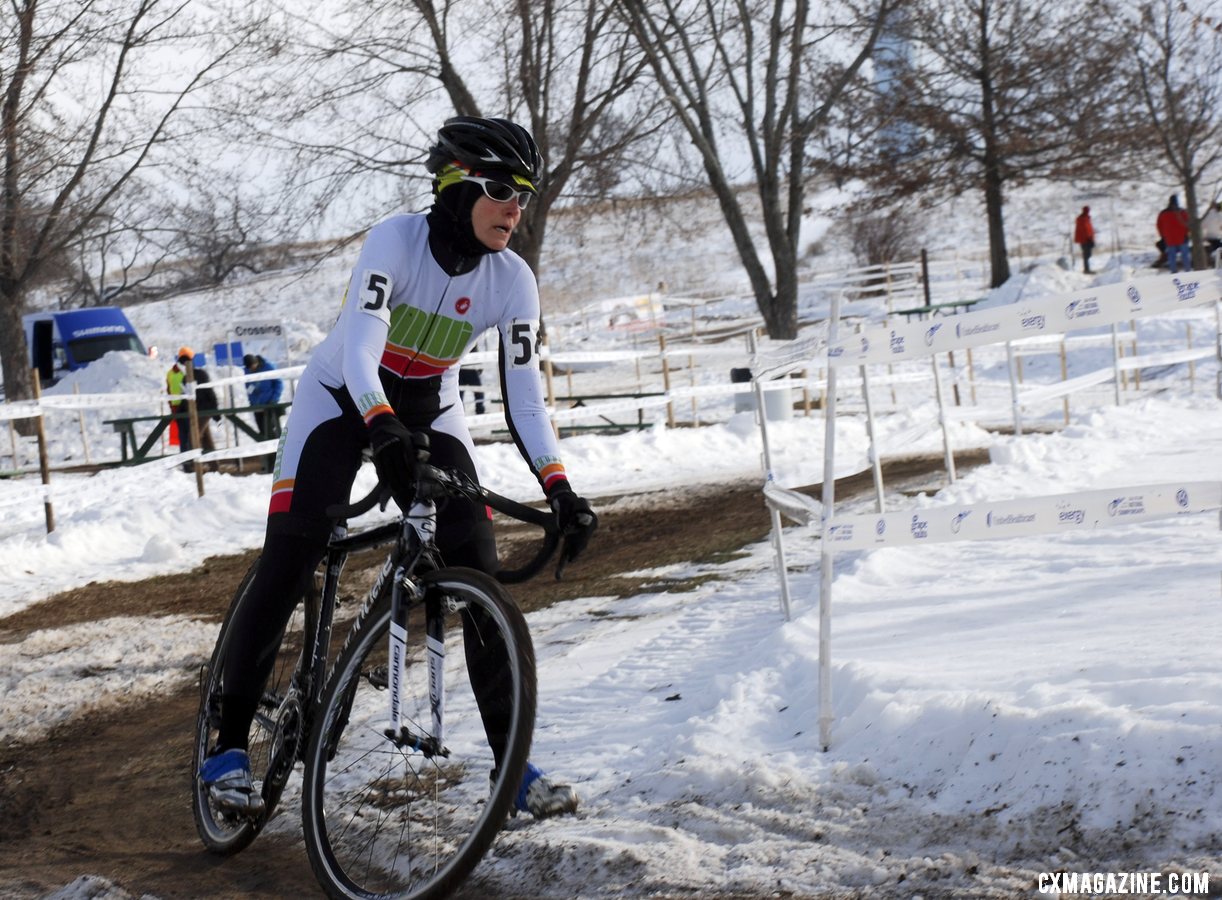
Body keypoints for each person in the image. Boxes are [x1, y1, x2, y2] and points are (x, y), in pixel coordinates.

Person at [199, 117, 598, 819]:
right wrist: (378, 424)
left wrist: (559, 485)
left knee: (477, 572)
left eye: (524, 195)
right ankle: (228, 745)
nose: (515, 208)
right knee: (291, 554)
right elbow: (359, 352)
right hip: (340, 399)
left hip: (428, 409)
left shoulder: (513, 280)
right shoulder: (396, 241)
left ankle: (511, 772)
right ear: (454, 186)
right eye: (502, 189)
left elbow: (526, 399)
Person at [167, 346, 218, 466]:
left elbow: (207, 393)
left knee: (192, 437)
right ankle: (206, 464)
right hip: (185, 409)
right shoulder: (183, 375)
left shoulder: (180, 374)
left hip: (194, 409)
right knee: (201, 437)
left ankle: (194, 464)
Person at [242, 353, 285, 440]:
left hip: (270, 404)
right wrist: (252, 401)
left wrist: (274, 399)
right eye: (249, 368)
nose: (252, 369)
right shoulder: (247, 371)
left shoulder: (268, 367)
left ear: (256, 362)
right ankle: (267, 451)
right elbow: (249, 388)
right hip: (257, 406)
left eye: (253, 366)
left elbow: (279, 383)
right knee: (262, 431)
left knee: (271, 430)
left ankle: (275, 451)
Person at [1156, 194, 1191, 273]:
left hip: (1170, 239)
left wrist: (1163, 236)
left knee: (1172, 257)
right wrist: (1187, 234)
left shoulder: (1163, 213)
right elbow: (1188, 224)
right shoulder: (1182, 212)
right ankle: (1188, 272)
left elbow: (1159, 226)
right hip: (1182, 238)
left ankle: (1173, 273)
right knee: (1185, 256)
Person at [1073, 206, 1096, 274]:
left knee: (1087, 255)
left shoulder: (1084, 218)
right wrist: (1090, 239)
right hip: (1086, 240)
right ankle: (1086, 269)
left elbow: (1088, 230)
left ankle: (1087, 269)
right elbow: (1086, 231)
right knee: (1086, 255)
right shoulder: (1083, 219)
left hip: (1085, 240)